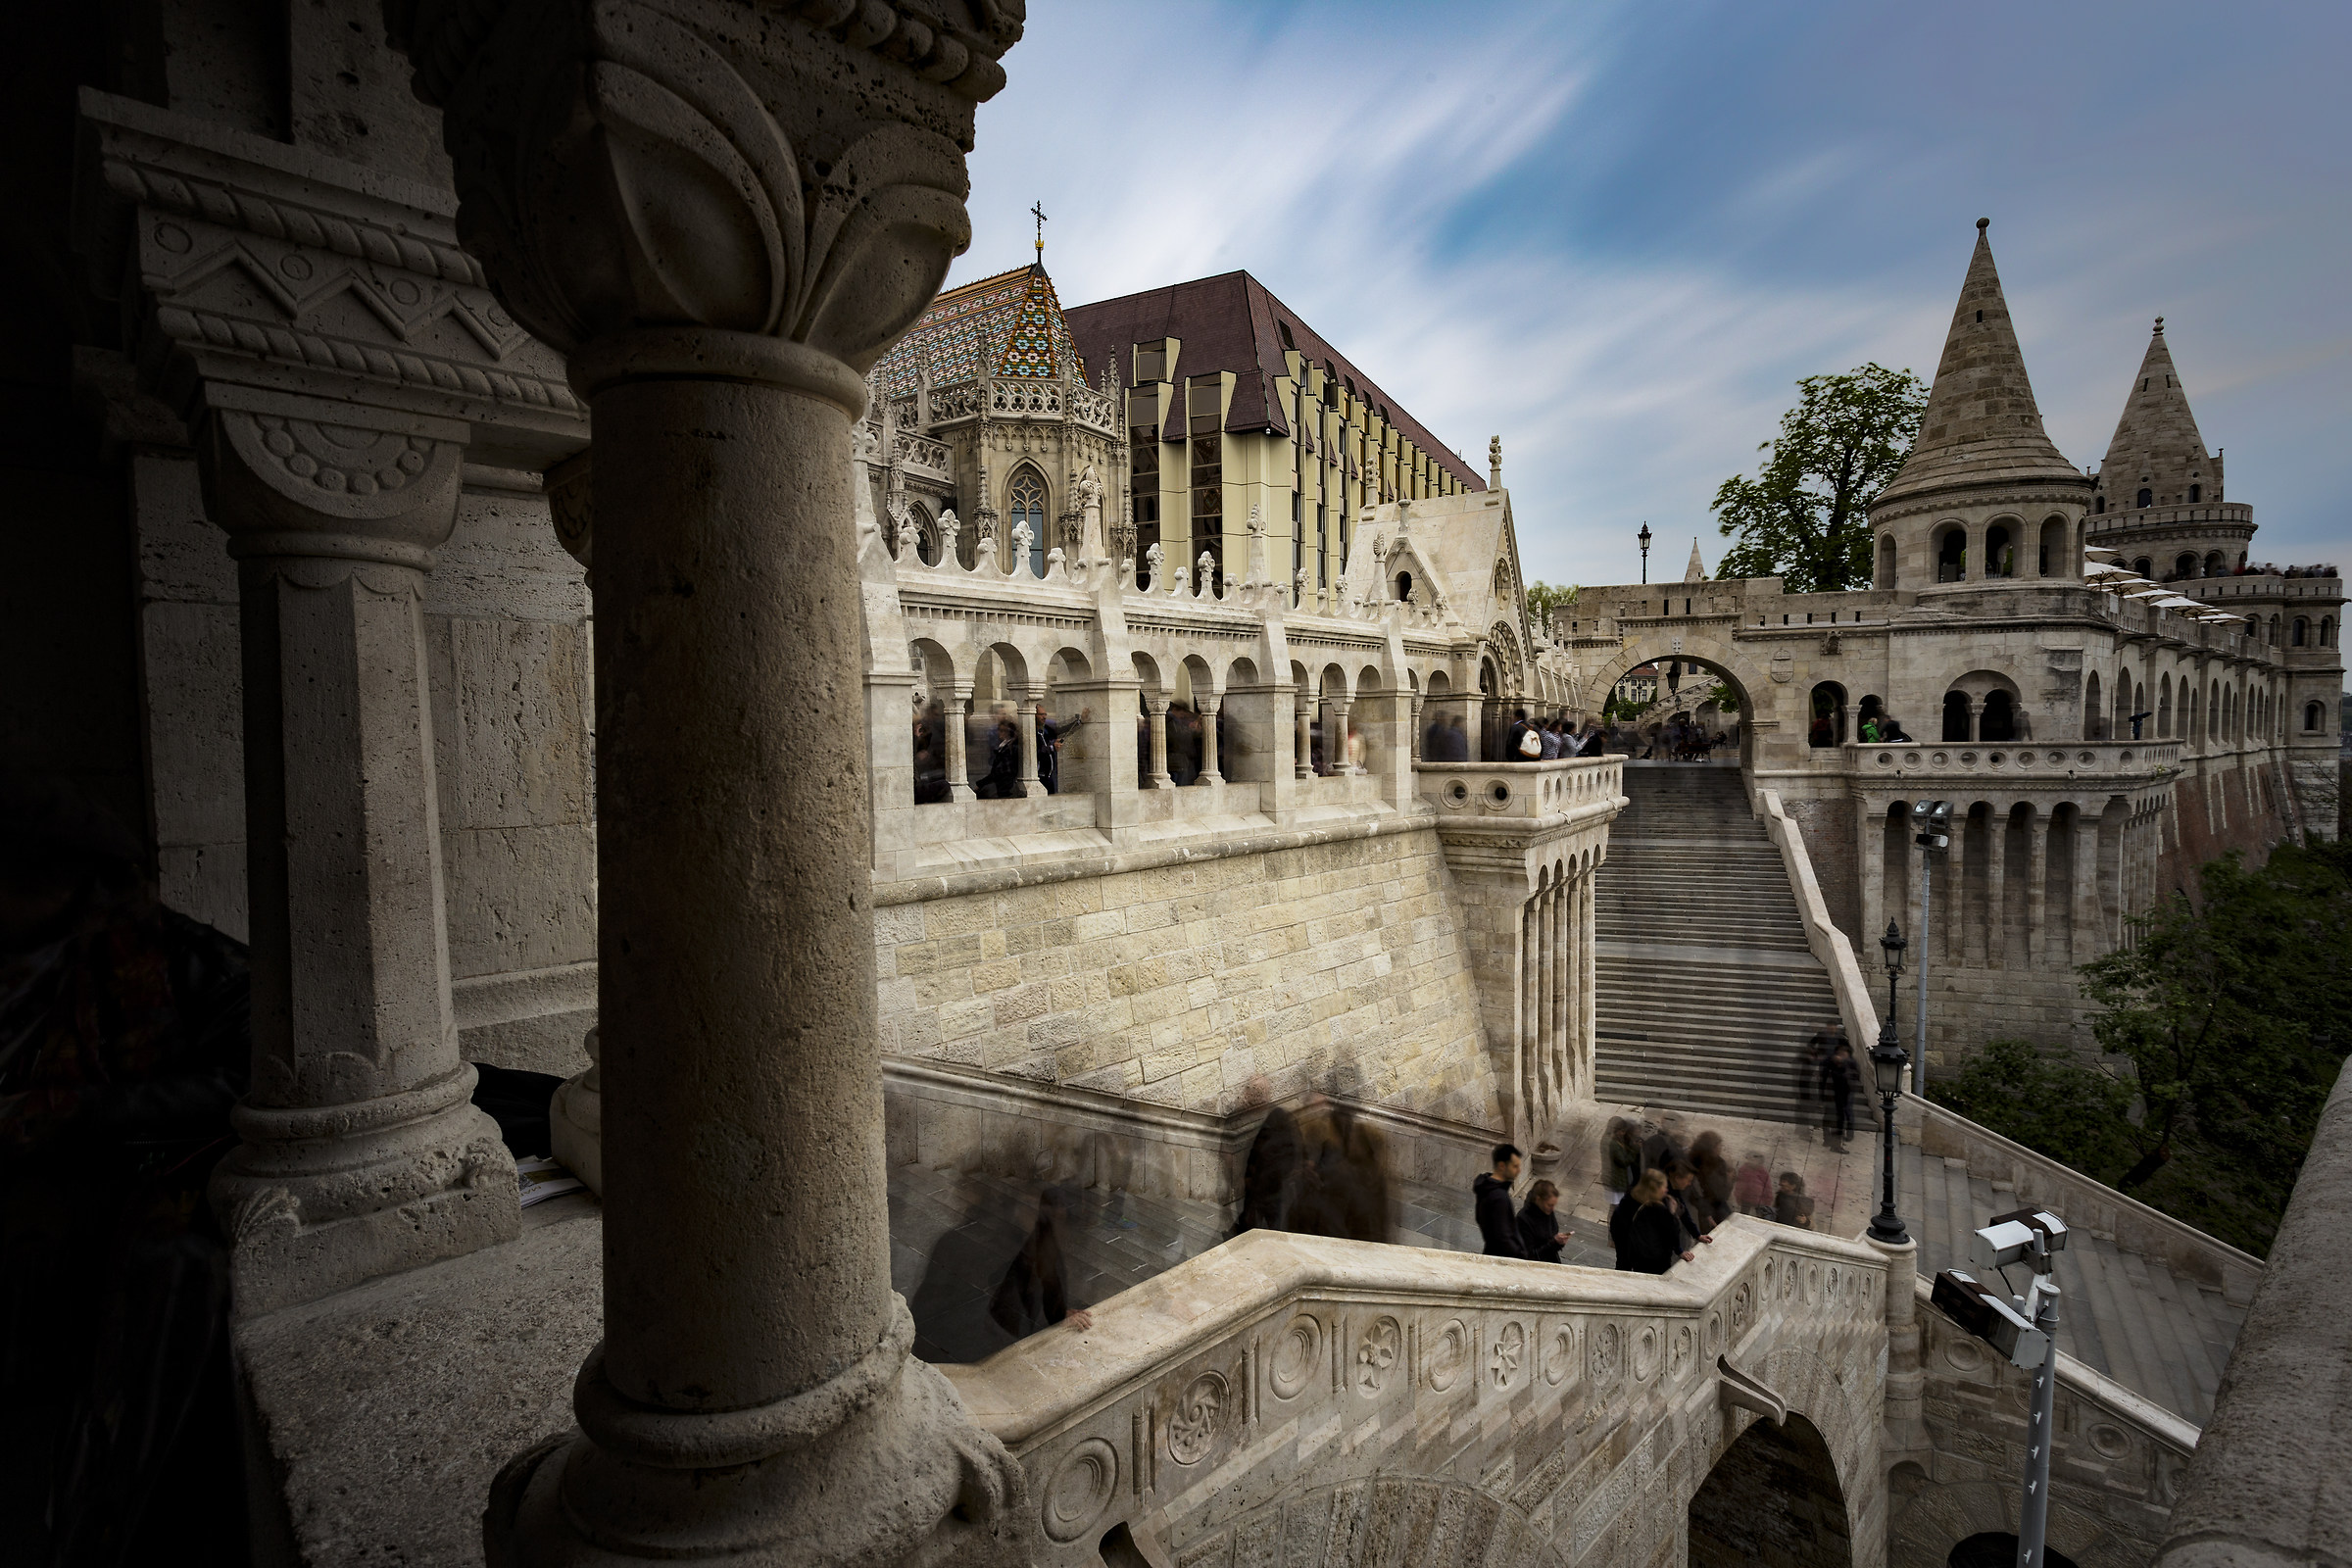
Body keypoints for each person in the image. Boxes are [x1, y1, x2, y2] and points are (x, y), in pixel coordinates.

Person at [1229, 1076, 1300, 1237]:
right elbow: (1228, 1153)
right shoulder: (1239, 1118)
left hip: (1272, 1185)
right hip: (1252, 1184)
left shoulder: (1279, 1117)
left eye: (1260, 1091)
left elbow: (1291, 1150)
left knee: (1274, 1224)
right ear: (1246, 1093)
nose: (1257, 1095)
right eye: (1254, 1091)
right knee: (1250, 1221)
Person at [1610, 1170, 1690, 1274]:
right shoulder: (1655, 1205)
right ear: (1655, 1188)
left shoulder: (1635, 1196)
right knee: (1624, 1264)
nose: (1666, 1190)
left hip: (1632, 1240)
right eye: (1664, 1187)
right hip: (1633, 1241)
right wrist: (1672, 1214)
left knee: (1624, 1264)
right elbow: (1670, 1230)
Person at [1474, 1143, 1527, 1258]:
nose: (1519, 1170)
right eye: (1515, 1166)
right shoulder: (1499, 1197)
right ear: (1502, 1166)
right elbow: (1503, 1236)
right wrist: (1520, 1255)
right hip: (1502, 1259)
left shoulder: (1486, 1186)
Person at [1663, 1162, 1716, 1250]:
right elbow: (1667, 1227)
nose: (1689, 1184)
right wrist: (1679, 1251)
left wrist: (1698, 1235)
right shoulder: (1663, 1195)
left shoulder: (1674, 1190)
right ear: (1677, 1178)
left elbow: (1684, 1213)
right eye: (1688, 1180)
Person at [1689, 1130, 1734, 1229]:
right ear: (1709, 1148)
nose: (1720, 1149)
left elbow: (1723, 1194)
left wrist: (1729, 1179)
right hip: (1703, 1207)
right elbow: (1693, 1191)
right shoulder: (1694, 1163)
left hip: (1718, 1204)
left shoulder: (1720, 1162)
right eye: (1718, 1146)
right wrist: (1706, 1213)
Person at [1518, 1180, 1570, 1263]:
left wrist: (1559, 1242)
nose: (1553, 1209)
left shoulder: (1546, 1210)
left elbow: (1551, 1233)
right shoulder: (1523, 1219)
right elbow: (1529, 1256)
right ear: (1538, 1199)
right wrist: (1554, 1243)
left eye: (1554, 1205)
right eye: (1550, 1205)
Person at [1822, 1040, 1862, 1148]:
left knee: (1842, 1116)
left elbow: (1854, 1076)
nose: (1841, 1056)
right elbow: (1824, 1074)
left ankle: (1840, 1140)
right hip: (1831, 1094)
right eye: (1839, 1053)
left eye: (1844, 1054)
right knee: (1830, 1117)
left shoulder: (1850, 1063)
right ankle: (1828, 1140)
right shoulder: (1831, 1062)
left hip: (1844, 1094)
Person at [1601, 1117, 1643, 1209]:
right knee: (1615, 1206)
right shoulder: (1612, 1144)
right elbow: (1623, 1161)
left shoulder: (1616, 1140)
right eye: (1622, 1131)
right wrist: (1635, 1150)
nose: (1623, 1133)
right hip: (1614, 1181)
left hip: (1617, 1179)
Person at [1733, 1151, 1774, 1218]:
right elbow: (1739, 1185)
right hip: (1745, 1199)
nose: (1753, 1162)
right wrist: (1738, 1196)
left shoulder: (1763, 1172)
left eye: (1756, 1160)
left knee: (1759, 1217)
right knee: (1743, 1216)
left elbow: (1767, 1188)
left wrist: (1767, 1201)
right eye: (1751, 1160)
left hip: (1759, 1201)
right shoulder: (1744, 1169)